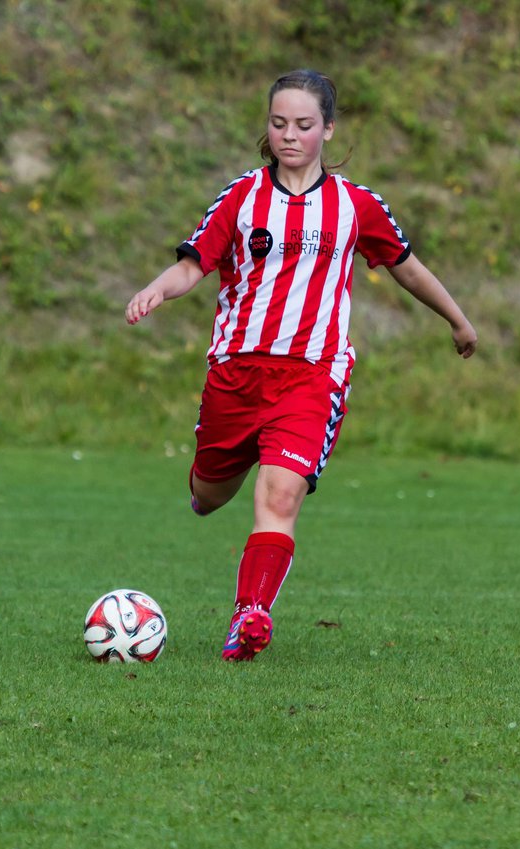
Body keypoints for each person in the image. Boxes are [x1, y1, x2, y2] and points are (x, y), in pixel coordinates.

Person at [125, 69, 477, 661]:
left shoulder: (355, 205)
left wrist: (457, 319)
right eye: (279, 123)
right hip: (236, 373)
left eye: (304, 125)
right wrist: (159, 290)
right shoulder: (241, 197)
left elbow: (406, 264)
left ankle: (250, 617)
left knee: (280, 495)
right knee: (209, 496)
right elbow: (193, 264)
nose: (290, 135)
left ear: (328, 130)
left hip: (314, 374)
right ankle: (212, 492)